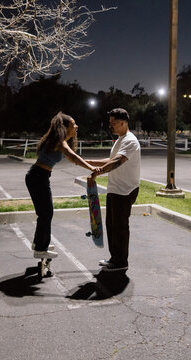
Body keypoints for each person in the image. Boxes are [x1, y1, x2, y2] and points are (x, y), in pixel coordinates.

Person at [26, 111, 99, 259]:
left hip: (39, 176)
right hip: (38, 177)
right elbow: (73, 156)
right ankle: (40, 248)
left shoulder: (58, 140)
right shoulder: (59, 141)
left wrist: (91, 164)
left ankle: (39, 243)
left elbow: (74, 159)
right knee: (46, 213)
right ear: (65, 128)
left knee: (45, 213)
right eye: (73, 124)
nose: (76, 126)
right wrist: (91, 168)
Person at [88, 108, 141, 272]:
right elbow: (110, 160)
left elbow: (118, 161)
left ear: (123, 122)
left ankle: (121, 262)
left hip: (124, 190)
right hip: (115, 189)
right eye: (109, 123)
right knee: (111, 226)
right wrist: (89, 162)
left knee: (120, 228)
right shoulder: (120, 139)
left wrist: (99, 172)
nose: (110, 126)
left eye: (113, 123)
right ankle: (114, 258)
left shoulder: (130, 141)